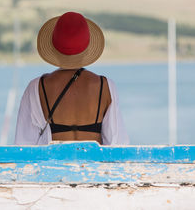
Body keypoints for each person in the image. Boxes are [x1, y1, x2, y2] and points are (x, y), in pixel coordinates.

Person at [14, 12, 129, 145]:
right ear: (87, 47)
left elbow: (23, 144)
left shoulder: (36, 87)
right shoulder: (105, 86)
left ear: (54, 48)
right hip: (95, 165)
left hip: (52, 165)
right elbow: (117, 143)